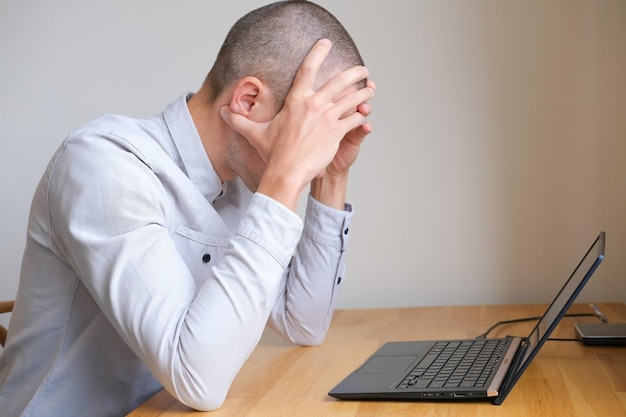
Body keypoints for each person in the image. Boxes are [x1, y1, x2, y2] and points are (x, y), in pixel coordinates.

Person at [0, 1, 375, 416]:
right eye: (310, 130)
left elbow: (304, 321)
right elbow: (197, 379)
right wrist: (285, 177)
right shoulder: (103, 165)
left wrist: (333, 173)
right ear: (249, 101)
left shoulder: (242, 180)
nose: (312, 155)